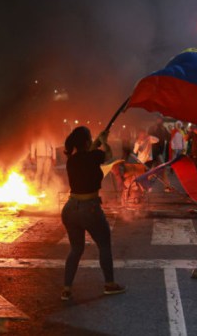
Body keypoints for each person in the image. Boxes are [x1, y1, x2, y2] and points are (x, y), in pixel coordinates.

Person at [60, 126, 125, 300]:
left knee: (76, 249)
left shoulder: (72, 160)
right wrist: (104, 141)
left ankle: (66, 289)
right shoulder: (94, 156)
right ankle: (109, 284)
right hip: (90, 208)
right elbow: (108, 155)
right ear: (88, 142)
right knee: (104, 245)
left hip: (70, 208)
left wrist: (95, 140)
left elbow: (87, 153)